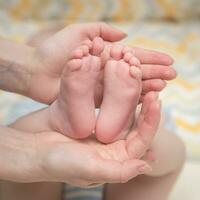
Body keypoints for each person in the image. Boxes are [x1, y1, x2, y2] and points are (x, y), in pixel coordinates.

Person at [0, 22, 185, 200]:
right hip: (116, 158)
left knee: (21, 142)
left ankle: (53, 123)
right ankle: (132, 135)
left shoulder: (26, 105)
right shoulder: (144, 103)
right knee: (165, 150)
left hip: (52, 153)